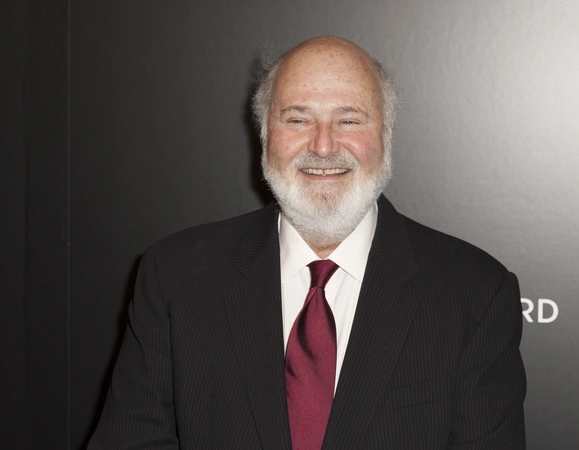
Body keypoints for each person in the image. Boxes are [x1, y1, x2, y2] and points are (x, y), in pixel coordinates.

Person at [88, 36, 526, 449]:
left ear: (388, 133)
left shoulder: (475, 291)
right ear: (265, 133)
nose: (323, 146)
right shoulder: (175, 276)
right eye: (298, 119)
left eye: (349, 120)